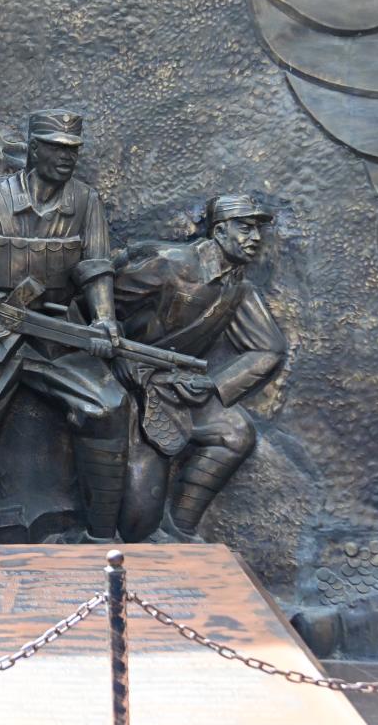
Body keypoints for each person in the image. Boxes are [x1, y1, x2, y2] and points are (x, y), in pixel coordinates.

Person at [0, 110, 128, 543]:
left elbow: (96, 268)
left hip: (57, 333)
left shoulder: (86, 202)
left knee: (109, 407)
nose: (67, 157)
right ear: (34, 149)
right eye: (57, 148)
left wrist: (104, 320)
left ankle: (100, 542)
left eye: (73, 149)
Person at [113, 194, 287, 541]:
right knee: (137, 521)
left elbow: (270, 347)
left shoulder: (237, 287)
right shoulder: (170, 264)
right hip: (129, 385)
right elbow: (100, 306)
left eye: (259, 230)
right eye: (245, 228)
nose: (256, 238)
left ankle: (180, 529)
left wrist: (214, 383)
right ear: (219, 231)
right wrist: (118, 354)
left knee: (235, 432)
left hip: (177, 389)